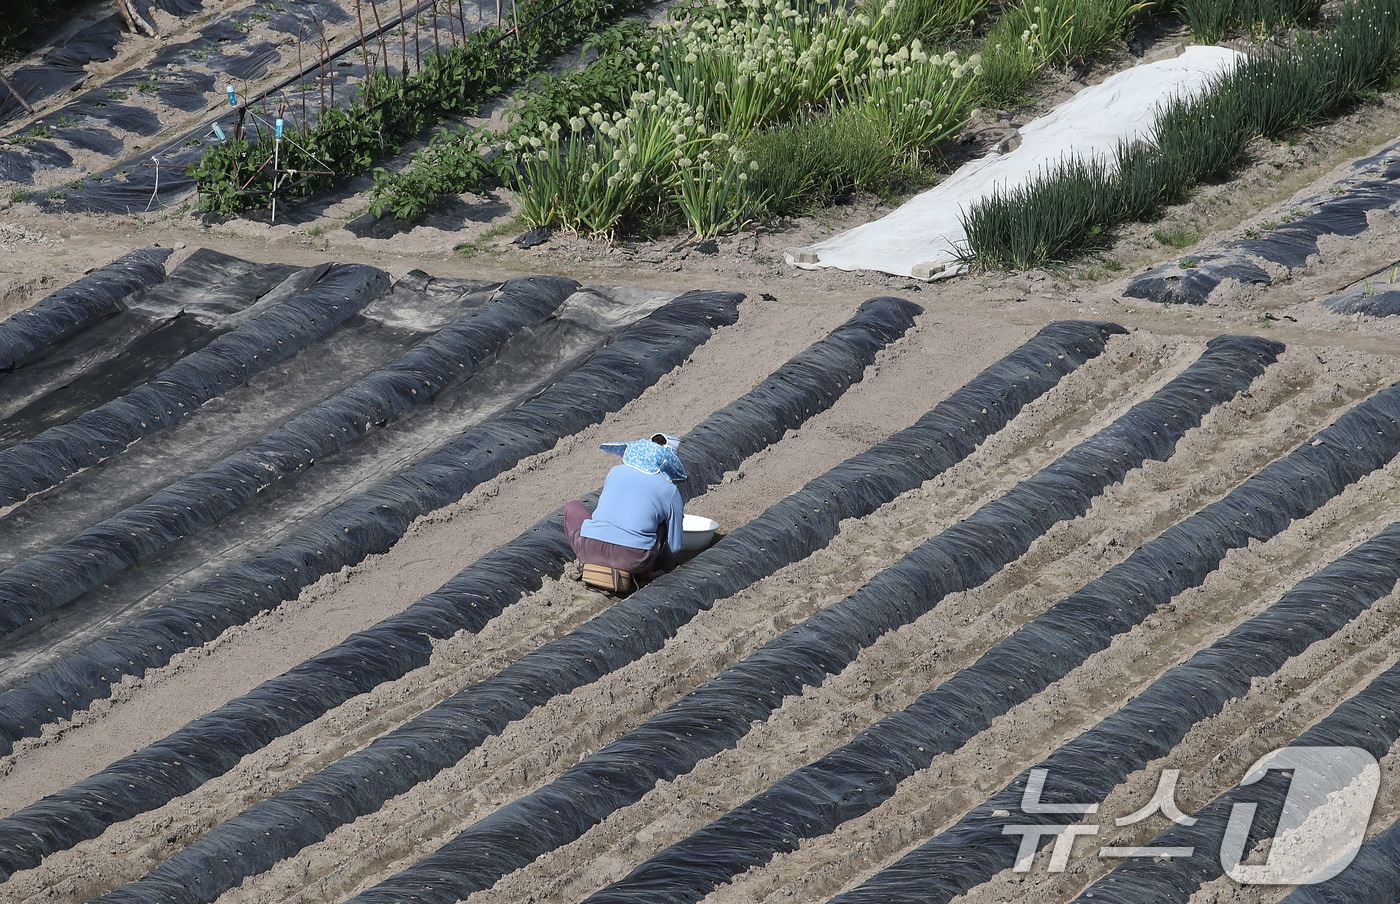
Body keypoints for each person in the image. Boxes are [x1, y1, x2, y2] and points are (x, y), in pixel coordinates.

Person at [565, 432, 686, 589]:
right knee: (662, 523)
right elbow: (674, 546)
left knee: (572, 506)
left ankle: (593, 562)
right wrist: (661, 562)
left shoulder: (615, 471)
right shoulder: (670, 490)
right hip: (632, 559)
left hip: (589, 550)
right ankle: (644, 574)